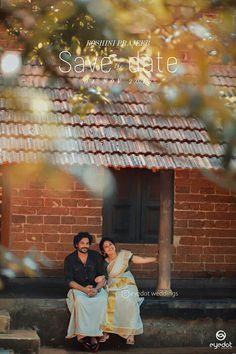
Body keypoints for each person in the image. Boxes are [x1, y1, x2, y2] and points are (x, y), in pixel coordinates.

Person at [99, 237, 158, 345]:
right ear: (103, 251)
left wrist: (155, 259)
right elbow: (103, 277)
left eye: (110, 244)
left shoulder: (124, 255)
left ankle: (131, 333)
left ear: (114, 245)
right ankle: (106, 331)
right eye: (106, 246)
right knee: (106, 300)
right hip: (112, 285)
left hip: (127, 283)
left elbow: (140, 259)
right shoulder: (103, 263)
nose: (109, 247)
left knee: (129, 300)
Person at [64, 232, 108, 352]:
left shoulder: (96, 256)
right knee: (81, 301)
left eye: (87, 243)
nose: (85, 246)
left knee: (102, 300)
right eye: (82, 243)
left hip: (96, 287)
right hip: (78, 288)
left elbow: (103, 276)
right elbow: (69, 281)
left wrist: (96, 289)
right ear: (76, 244)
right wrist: (84, 290)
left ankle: (94, 335)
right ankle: (83, 335)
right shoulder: (70, 259)